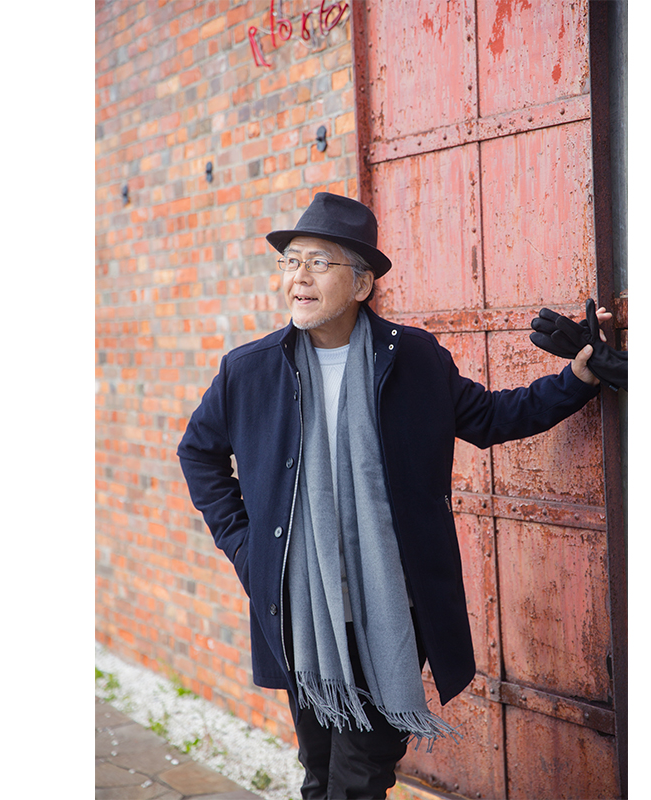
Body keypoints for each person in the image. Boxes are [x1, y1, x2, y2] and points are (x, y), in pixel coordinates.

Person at [177, 192, 607, 799]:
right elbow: (198, 453)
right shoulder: (250, 371)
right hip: (301, 610)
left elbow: (491, 417)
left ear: (361, 285)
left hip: (390, 607)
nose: (299, 277)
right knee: (320, 771)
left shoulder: (414, 359)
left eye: (318, 262)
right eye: (291, 262)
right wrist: (247, 547)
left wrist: (578, 378)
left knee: (359, 777)